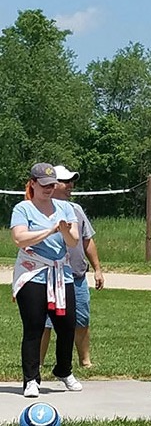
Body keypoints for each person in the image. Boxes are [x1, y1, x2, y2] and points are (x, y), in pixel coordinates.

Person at [10, 163, 82, 398]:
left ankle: (64, 370)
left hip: (61, 273)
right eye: (44, 185)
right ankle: (31, 379)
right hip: (32, 273)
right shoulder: (23, 208)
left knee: (67, 325)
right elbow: (19, 239)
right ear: (32, 183)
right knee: (34, 328)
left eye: (53, 184)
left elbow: (73, 242)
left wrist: (63, 231)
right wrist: (50, 230)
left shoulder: (65, 207)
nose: (49, 189)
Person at [40, 165, 104, 368]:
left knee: (81, 321)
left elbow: (87, 240)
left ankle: (85, 361)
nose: (71, 186)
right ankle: (38, 363)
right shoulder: (40, 209)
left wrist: (98, 269)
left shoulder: (76, 210)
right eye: (66, 182)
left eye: (71, 182)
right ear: (53, 184)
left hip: (76, 277)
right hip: (49, 277)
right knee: (45, 324)